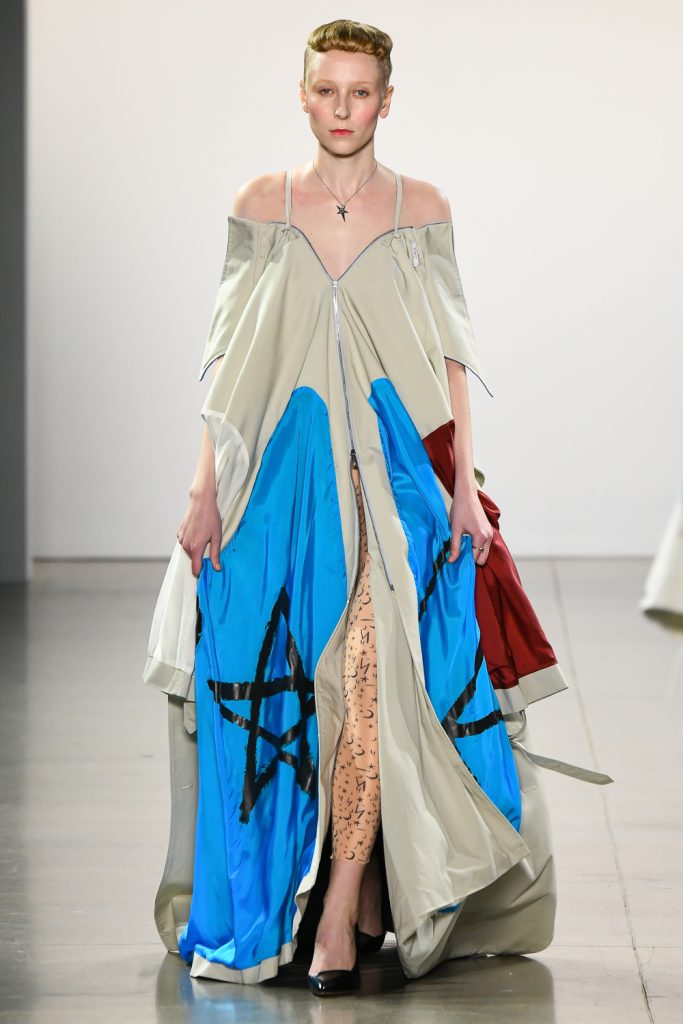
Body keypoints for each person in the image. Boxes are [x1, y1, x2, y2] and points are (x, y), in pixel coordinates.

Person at [144, 17, 612, 997]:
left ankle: (341, 914)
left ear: (386, 101)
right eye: (326, 90)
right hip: (286, 480)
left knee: (368, 678)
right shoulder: (261, 204)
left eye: (359, 92)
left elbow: (449, 354)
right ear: (302, 95)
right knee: (280, 682)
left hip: (388, 483)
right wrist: (202, 488)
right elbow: (227, 355)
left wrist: (463, 488)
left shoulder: (421, 207)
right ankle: (336, 897)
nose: (342, 109)